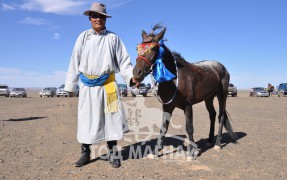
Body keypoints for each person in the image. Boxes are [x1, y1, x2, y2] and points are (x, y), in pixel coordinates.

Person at [64, 2, 140, 168]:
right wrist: (70, 85)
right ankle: (85, 152)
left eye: (102, 16)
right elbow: (74, 61)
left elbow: (124, 62)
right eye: (95, 16)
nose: (99, 19)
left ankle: (112, 153)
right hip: (87, 87)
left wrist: (131, 78)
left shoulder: (113, 38)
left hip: (108, 86)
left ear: (106, 19)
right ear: (90, 18)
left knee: (111, 119)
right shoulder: (83, 37)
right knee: (86, 119)